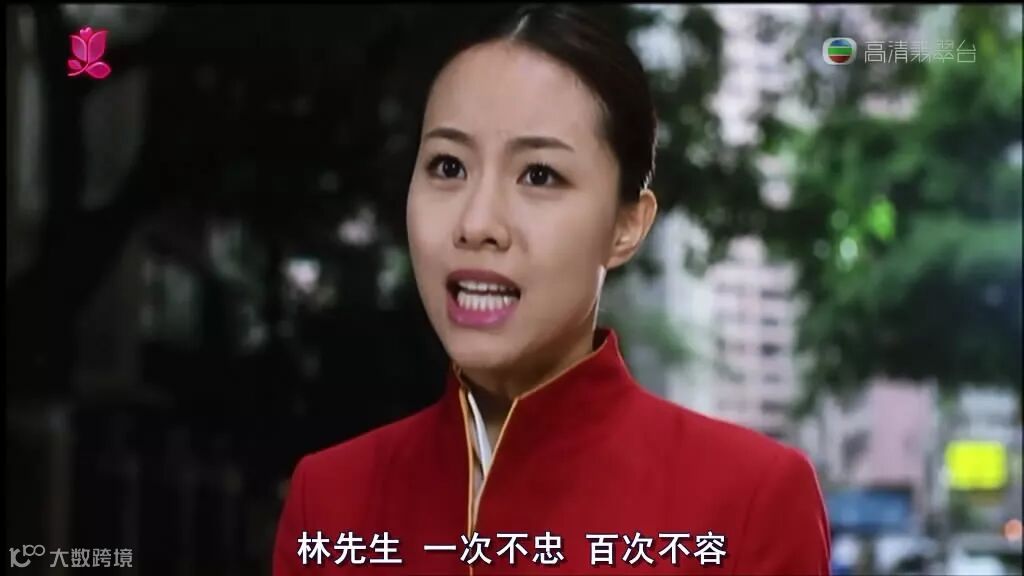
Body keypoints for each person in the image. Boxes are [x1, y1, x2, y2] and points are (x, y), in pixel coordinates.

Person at [273, 4, 830, 574]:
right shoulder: (330, 502)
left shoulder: (750, 502)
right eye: (448, 167)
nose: (477, 223)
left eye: (539, 175)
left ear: (627, 226)